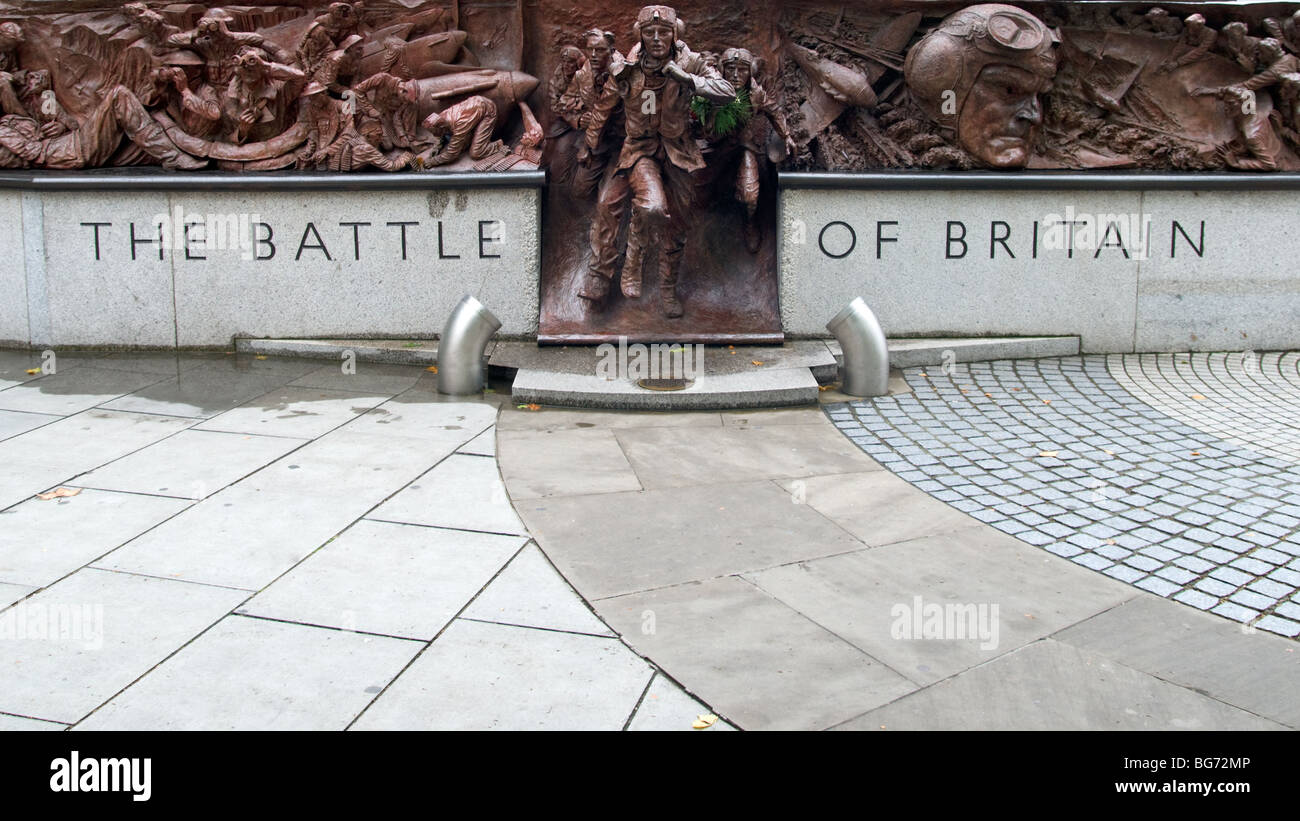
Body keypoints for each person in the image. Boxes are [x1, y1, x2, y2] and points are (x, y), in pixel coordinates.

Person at [578, 5, 734, 318]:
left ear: (676, 33)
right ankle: (620, 266)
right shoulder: (627, 67)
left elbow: (727, 91)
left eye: (664, 32)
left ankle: (667, 289)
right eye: (650, 32)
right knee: (630, 204)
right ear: (641, 35)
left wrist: (687, 79)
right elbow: (603, 108)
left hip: (678, 152)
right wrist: (590, 146)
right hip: (640, 150)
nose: (657, 38)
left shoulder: (691, 61)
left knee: (676, 225)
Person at [904, 3, 1058, 169]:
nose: (1035, 117)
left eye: (1040, 97)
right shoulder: (946, 96)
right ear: (947, 94)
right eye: (1010, 91)